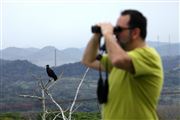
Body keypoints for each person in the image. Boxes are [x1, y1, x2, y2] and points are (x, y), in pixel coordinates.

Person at [82, 9, 164, 120]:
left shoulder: (149, 56)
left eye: (119, 29)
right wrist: (97, 35)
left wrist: (108, 34)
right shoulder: (123, 59)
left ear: (135, 33)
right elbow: (88, 60)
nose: (116, 33)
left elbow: (118, 60)